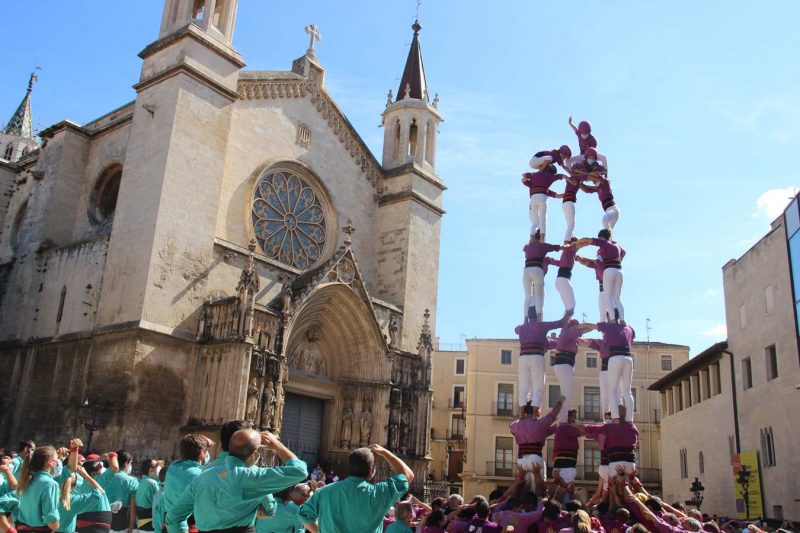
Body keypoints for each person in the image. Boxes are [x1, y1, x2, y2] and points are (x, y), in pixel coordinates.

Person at [166, 429, 307, 533]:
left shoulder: (202, 476)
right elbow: (299, 470)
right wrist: (277, 445)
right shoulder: (251, 477)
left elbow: (173, 517)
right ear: (254, 454)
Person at [298, 444, 413, 533]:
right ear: (371, 471)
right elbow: (408, 475)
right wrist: (385, 453)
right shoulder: (379, 493)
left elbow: (303, 515)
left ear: (350, 468)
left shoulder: (325, 491)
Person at [515, 309, 572, 411]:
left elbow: (516, 330)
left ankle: (521, 413)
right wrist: (568, 314)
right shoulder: (541, 325)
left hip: (523, 357)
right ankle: (535, 413)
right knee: (538, 386)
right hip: (537, 356)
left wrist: (525, 321)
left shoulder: (521, 327)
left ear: (528, 316)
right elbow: (560, 323)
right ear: (539, 315)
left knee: (523, 386)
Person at [583, 321, 635, 422]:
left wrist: (573, 329)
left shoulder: (610, 330)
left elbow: (589, 325)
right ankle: (622, 419)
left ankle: (616, 418)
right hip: (621, 361)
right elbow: (586, 342)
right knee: (619, 393)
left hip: (614, 363)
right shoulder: (627, 329)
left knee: (614, 393)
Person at [163, 435, 215, 533]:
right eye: (205, 451)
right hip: (186, 526)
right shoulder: (200, 475)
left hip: (168, 524)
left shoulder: (173, 466)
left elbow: (187, 443)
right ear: (201, 453)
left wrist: (202, 440)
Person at [509, 396, 564, 487]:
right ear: (537, 409)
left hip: (521, 460)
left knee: (523, 489)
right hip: (535, 458)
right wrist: (560, 402)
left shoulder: (516, 424)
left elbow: (511, 428)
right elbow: (553, 414)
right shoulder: (540, 423)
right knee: (538, 488)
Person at [575, 230, 625, 322]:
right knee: (616, 300)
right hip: (618, 271)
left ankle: (613, 320)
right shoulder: (616, 245)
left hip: (608, 276)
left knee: (607, 301)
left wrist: (575, 244)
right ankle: (621, 320)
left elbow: (587, 240)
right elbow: (623, 252)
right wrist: (619, 259)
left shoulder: (603, 245)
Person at [582, 406, 639, 478]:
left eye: (610, 417)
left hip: (613, 463)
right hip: (629, 464)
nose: (608, 420)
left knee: (609, 481)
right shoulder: (633, 428)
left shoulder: (608, 428)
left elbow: (590, 431)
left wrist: (578, 427)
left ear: (614, 416)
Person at [15, 446, 61, 532]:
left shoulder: (27, 479)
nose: (58, 463)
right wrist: (55, 527)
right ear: (50, 461)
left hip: (22, 528)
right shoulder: (50, 484)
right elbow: (51, 518)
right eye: (56, 459)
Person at [552, 320, 590, 420]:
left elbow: (582, 341)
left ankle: (563, 417)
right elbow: (585, 329)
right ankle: (563, 419)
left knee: (565, 392)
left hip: (562, 365)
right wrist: (595, 327)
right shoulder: (569, 332)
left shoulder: (568, 335)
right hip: (564, 365)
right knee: (566, 393)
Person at [522, 164, 569, 241]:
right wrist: (569, 193)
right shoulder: (546, 188)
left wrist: (531, 175)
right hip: (542, 198)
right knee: (542, 220)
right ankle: (542, 239)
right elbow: (558, 195)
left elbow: (523, 179)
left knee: (535, 223)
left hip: (532, 201)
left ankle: (531, 239)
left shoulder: (533, 182)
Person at [522, 235, 563, 321]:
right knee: (538, 299)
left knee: (532, 299)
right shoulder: (545, 256)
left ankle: (529, 319)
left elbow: (558, 263)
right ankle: (537, 320)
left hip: (531, 275)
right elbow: (558, 262)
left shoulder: (545, 258)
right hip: (537, 278)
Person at [96, 452, 138, 533]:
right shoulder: (132, 481)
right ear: (127, 463)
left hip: (103, 518)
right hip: (123, 521)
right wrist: (131, 528)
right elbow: (133, 508)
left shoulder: (104, 476)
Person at [578, 160, 619, 231]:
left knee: (604, 220)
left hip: (613, 209)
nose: (592, 181)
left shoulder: (605, 182)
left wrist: (584, 174)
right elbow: (586, 189)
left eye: (593, 179)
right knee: (608, 232)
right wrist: (578, 180)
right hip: (608, 211)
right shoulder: (598, 188)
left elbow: (596, 175)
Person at [549, 410, 581, 492]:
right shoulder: (570, 429)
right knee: (566, 491)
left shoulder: (559, 427)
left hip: (561, 464)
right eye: (573, 417)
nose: (575, 419)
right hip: (567, 466)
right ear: (568, 417)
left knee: (561, 490)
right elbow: (583, 431)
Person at [575, 253, 608, 322]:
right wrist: (579, 258)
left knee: (610, 311)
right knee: (603, 310)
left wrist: (580, 257)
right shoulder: (596, 265)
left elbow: (594, 261)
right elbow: (584, 262)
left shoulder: (604, 264)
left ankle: (614, 324)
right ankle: (604, 326)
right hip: (602, 289)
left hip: (608, 288)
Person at [135, 460, 162, 532]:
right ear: (151, 470)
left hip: (141, 521)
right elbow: (160, 501)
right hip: (150, 523)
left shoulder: (141, 481)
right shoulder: (152, 483)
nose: (159, 469)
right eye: (157, 467)